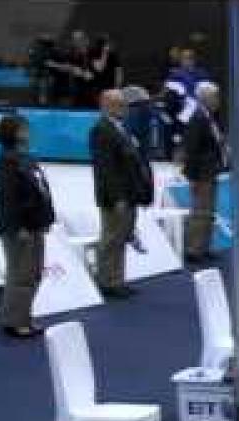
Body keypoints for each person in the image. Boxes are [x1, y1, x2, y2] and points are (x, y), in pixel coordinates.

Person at [0, 114, 55, 338]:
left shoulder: (27, 158)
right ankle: (14, 321)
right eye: (24, 128)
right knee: (21, 274)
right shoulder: (5, 161)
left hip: (35, 224)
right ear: (13, 132)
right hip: (17, 227)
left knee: (34, 273)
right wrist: (18, 228)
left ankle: (24, 315)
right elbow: (7, 198)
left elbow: (41, 191)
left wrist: (46, 219)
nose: (28, 132)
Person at [90, 89, 153, 298]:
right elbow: (106, 169)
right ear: (105, 105)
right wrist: (117, 197)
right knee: (111, 238)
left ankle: (117, 279)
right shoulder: (101, 130)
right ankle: (106, 281)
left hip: (129, 194)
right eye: (118, 104)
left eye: (124, 104)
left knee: (121, 237)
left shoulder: (121, 129)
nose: (123, 108)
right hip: (115, 197)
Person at [182, 82, 227, 265]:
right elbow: (191, 150)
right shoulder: (198, 118)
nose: (218, 100)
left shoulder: (210, 117)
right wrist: (192, 177)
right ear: (204, 98)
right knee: (200, 211)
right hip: (201, 174)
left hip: (210, 171)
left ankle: (204, 246)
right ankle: (193, 248)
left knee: (208, 212)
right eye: (215, 96)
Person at [84, 35, 123, 106]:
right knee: (101, 109)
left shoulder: (113, 55)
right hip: (98, 88)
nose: (109, 46)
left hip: (111, 88)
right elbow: (100, 68)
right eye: (107, 44)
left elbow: (118, 71)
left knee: (114, 110)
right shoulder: (92, 53)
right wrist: (104, 54)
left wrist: (117, 87)